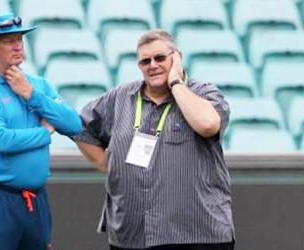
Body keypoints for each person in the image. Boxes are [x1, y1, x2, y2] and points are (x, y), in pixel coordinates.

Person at [73, 29, 235, 250]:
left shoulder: (203, 92)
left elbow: (207, 124)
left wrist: (176, 82)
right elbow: (81, 126)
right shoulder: (121, 96)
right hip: (132, 235)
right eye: (145, 61)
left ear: (176, 57)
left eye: (160, 58)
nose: (153, 65)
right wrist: (106, 163)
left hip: (196, 235)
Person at [0, 13, 82, 250]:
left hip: (36, 201)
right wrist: (44, 133)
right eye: (9, 41)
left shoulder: (37, 85)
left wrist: (31, 94)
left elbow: (73, 124)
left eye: (20, 39)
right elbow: (1, 140)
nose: (18, 46)